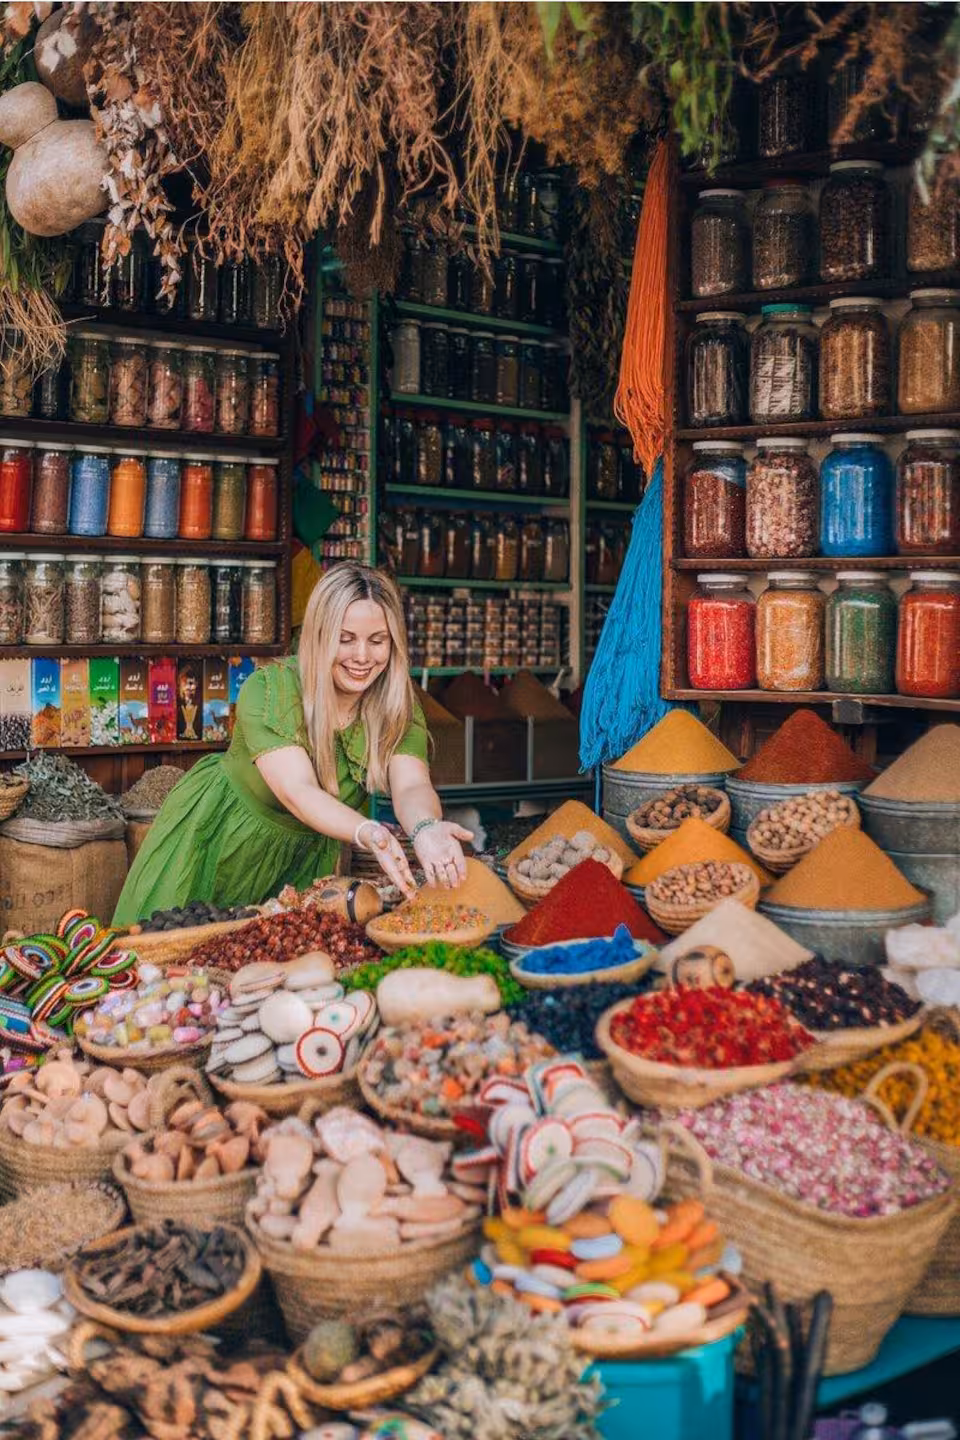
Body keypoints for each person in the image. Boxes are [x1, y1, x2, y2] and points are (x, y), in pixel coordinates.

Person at [113, 563, 471, 924]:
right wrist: (368, 830)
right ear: (318, 635)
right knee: (167, 952)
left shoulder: (396, 704)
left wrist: (425, 828)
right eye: (344, 639)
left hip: (301, 857)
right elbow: (297, 791)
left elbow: (411, 784)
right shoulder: (272, 690)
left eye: (377, 641)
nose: (362, 656)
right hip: (215, 840)